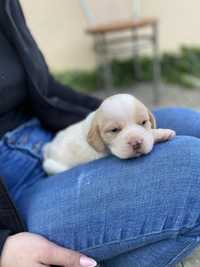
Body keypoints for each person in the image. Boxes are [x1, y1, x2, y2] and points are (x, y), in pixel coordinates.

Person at [0, 1, 200, 267]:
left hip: (43, 133)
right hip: (12, 192)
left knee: (192, 122)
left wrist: (111, 113)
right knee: (192, 169)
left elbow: (45, 87)